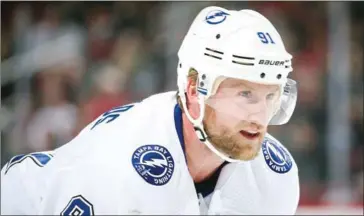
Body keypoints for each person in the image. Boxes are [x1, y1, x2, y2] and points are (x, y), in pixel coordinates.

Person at [1, 6, 300, 215]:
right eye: (245, 94)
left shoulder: (274, 177)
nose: (259, 116)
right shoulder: (120, 172)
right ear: (195, 91)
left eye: (270, 96)